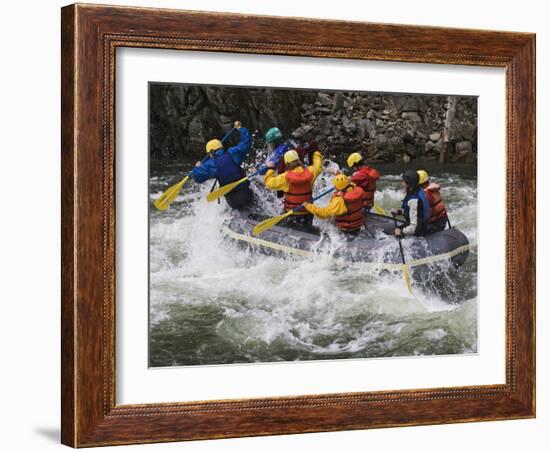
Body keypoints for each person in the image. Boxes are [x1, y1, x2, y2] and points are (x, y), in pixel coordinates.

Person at [191, 121, 253, 210]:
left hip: (232, 199)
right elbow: (246, 142)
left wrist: (197, 167)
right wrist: (240, 129)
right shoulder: (233, 153)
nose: (210, 156)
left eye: (209, 154)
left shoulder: (211, 164)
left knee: (238, 208)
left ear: (212, 152)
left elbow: (198, 177)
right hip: (245, 191)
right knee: (250, 203)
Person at [263, 148, 323, 228]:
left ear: (286, 164)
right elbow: (318, 167)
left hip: (291, 213)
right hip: (307, 212)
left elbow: (269, 183)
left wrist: (270, 169)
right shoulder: (311, 171)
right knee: (306, 228)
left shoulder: (284, 177)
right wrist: (316, 153)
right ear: (299, 160)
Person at [390, 170, 430, 237]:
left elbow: (414, 228)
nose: (402, 184)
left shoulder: (414, 200)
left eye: (404, 182)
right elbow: (411, 211)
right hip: (417, 225)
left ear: (410, 184)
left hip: (418, 231)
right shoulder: (416, 190)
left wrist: (401, 231)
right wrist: (398, 212)